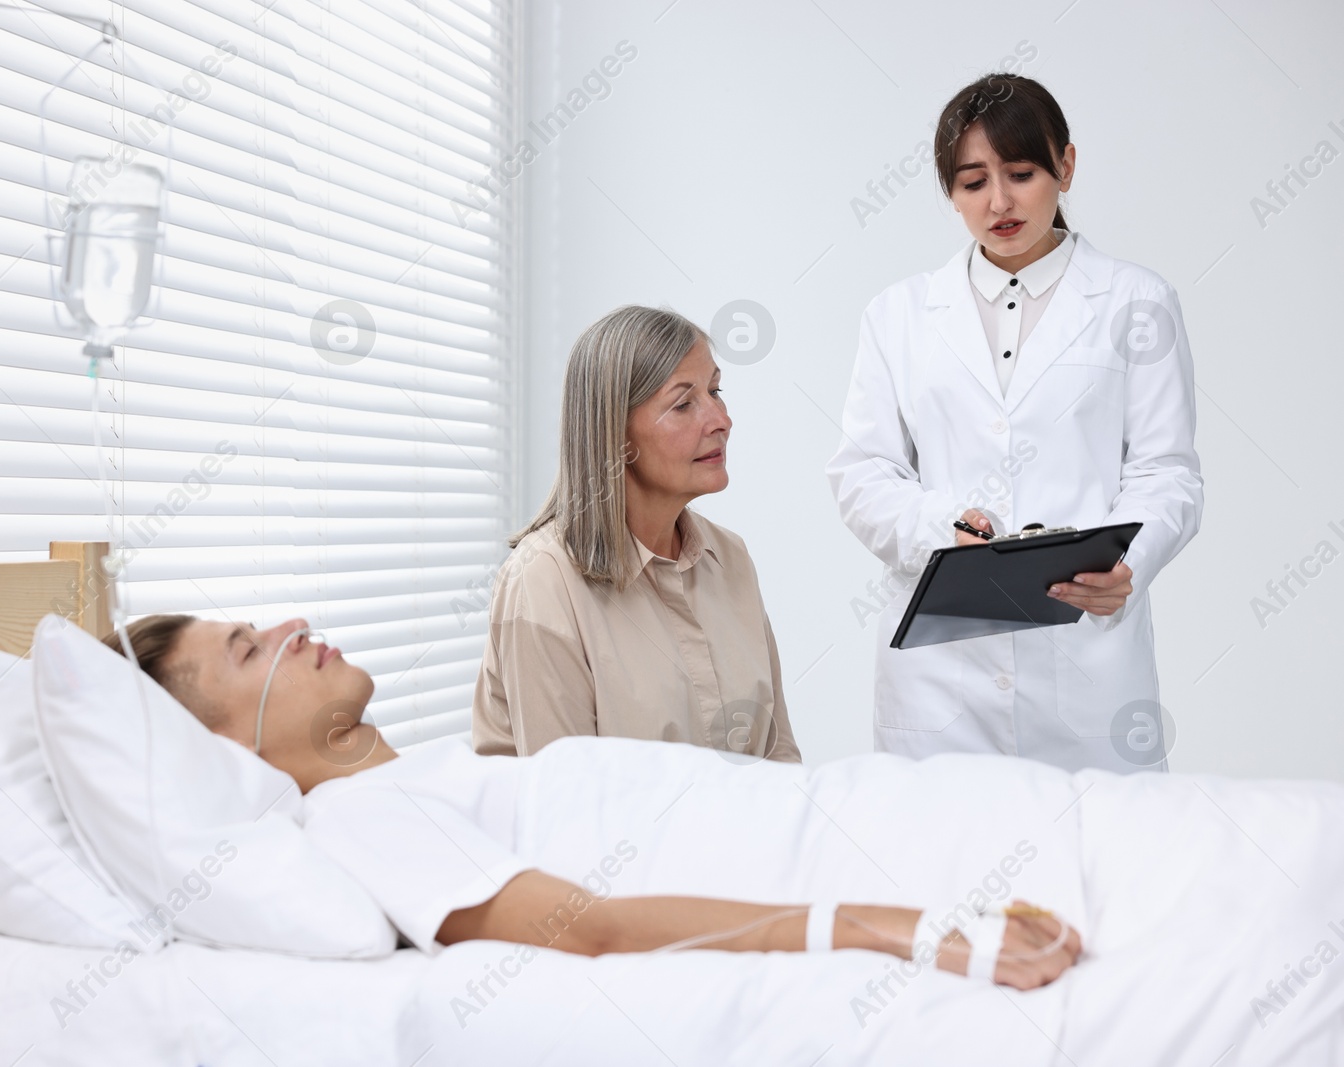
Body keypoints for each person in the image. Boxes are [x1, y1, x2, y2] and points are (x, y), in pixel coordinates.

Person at [104, 613, 1077, 989]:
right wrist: (905, 926)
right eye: (247, 650)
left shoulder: (408, 781)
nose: (290, 627)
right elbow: (590, 928)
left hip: (851, 816)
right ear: (217, 745)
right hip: (837, 863)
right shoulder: (357, 821)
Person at [826, 74, 1203, 773]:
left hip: (1088, 665)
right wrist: (943, 525)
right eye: (972, 182)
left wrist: (1130, 562)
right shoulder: (899, 314)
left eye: (1021, 173)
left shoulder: (1137, 302)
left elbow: (1167, 472)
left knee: (1102, 869)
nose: (998, 202)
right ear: (949, 192)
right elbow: (862, 472)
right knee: (937, 870)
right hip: (941, 678)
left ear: (1065, 165)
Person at [471, 305, 800, 763]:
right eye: (684, 404)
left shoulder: (731, 558)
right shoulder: (542, 580)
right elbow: (568, 803)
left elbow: (778, 753)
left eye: (715, 391)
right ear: (615, 433)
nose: (721, 420)